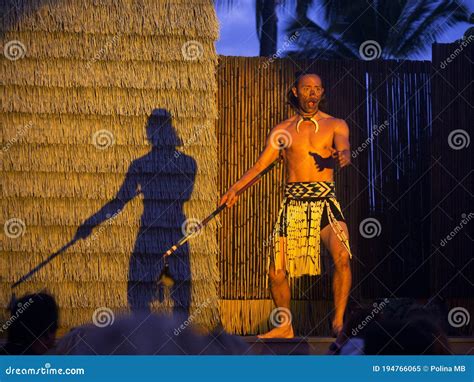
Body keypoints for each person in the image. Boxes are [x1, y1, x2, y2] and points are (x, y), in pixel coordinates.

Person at [219, 72, 352, 337]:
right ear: (295, 92)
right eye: (306, 88)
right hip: (294, 203)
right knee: (276, 272)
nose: (312, 93)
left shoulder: (336, 124)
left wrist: (341, 157)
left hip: (324, 201)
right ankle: (285, 325)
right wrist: (235, 189)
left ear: (322, 93)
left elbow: (345, 149)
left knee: (342, 257)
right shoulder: (283, 130)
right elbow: (260, 166)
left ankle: (338, 322)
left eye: (317, 89)